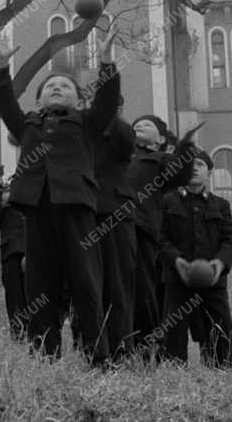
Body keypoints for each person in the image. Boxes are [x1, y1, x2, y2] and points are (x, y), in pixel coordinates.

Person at [0, 25, 119, 364]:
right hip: (37, 211)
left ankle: (97, 359)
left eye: (64, 86)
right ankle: (45, 356)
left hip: (77, 210)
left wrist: (106, 62)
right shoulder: (28, 125)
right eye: (50, 87)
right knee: (39, 287)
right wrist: (1, 69)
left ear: (78, 99)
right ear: (38, 100)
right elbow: (4, 104)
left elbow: (106, 102)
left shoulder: (87, 123)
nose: (57, 88)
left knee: (86, 285)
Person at [158, 148, 232, 367]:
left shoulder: (221, 205)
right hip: (177, 279)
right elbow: (161, 239)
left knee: (221, 324)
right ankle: (174, 370)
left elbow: (231, 240)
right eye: (188, 165)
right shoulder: (167, 201)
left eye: (200, 165)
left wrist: (219, 264)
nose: (194, 168)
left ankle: (221, 368)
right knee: (174, 328)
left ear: (210, 173)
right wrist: (177, 261)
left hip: (213, 281)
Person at [127, 115, 199, 360]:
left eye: (146, 125)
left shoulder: (160, 160)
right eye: (135, 124)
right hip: (105, 228)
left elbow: (182, 175)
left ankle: (147, 345)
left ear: (159, 139)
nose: (138, 126)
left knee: (142, 288)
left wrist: (187, 144)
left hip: (141, 229)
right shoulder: (116, 157)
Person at [89, 97, 137, 361]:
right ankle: (92, 350)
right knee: (87, 287)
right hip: (80, 215)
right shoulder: (77, 132)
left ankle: (120, 351)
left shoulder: (120, 132)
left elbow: (126, 143)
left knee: (117, 285)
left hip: (114, 213)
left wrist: (109, 113)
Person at [0, 166, 27, 341]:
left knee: (34, 294)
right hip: (11, 254)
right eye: (6, 191)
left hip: (34, 255)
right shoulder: (2, 214)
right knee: (14, 295)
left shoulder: (32, 212)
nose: (9, 194)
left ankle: (37, 331)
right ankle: (18, 332)